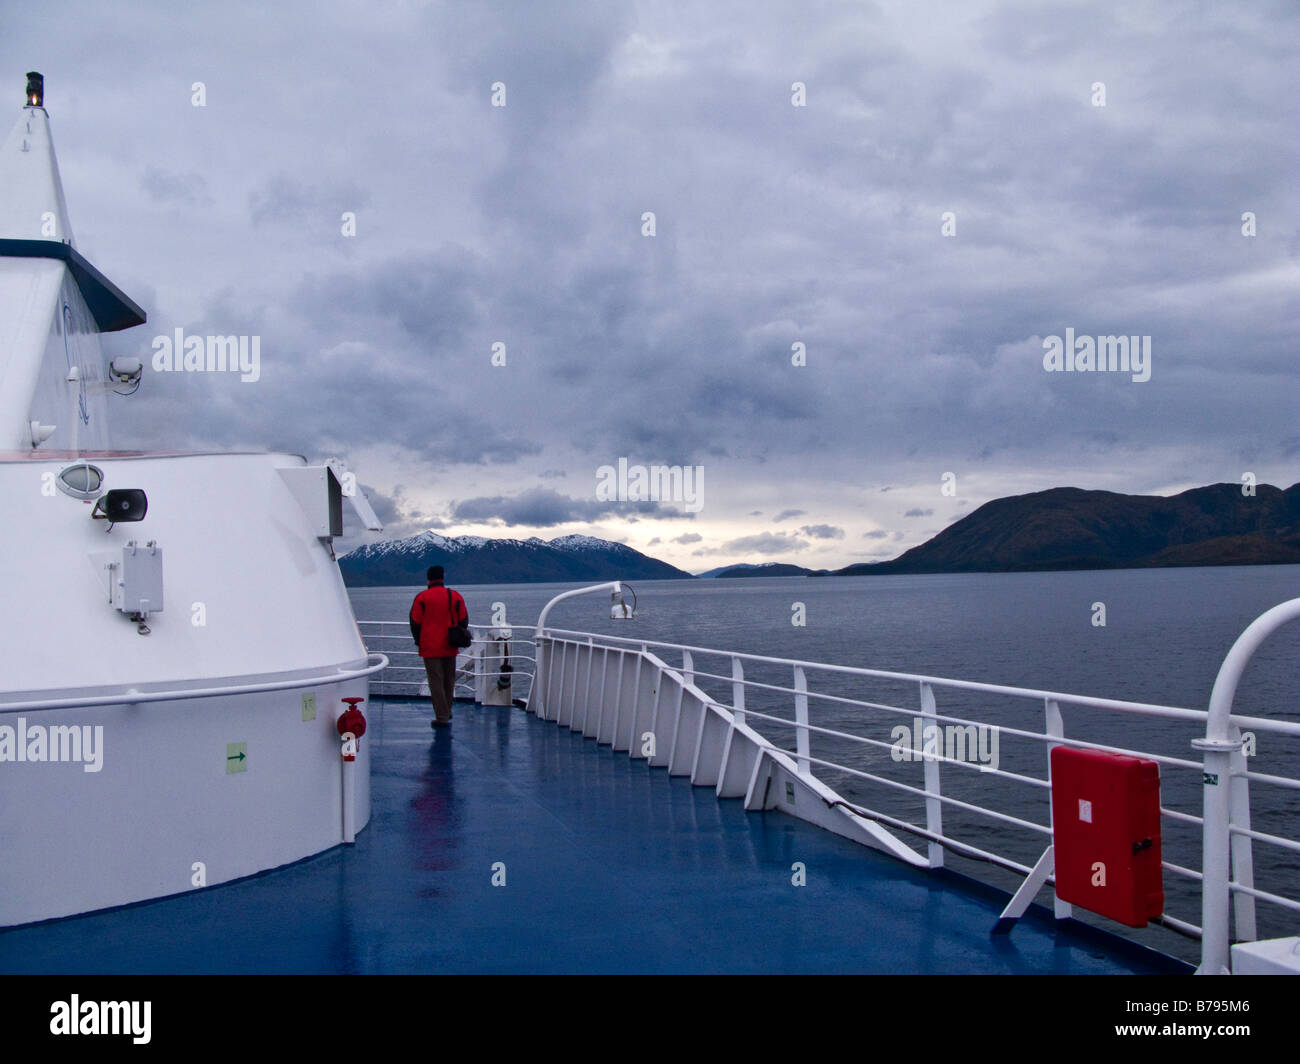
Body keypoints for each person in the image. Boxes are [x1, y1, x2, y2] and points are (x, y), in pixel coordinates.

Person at [409, 565, 469, 728]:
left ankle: (441, 716)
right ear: (443, 577)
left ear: (428, 579)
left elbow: (415, 622)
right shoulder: (455, 596)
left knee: (435, 681)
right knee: (449, 680)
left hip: (430, 646)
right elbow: (464, 620)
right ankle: (447, 711)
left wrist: (419, 640)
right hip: (450, 645)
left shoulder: (422, 598)